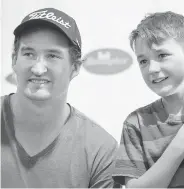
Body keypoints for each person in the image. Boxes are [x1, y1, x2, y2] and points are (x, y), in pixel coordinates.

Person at [1, 8, 118, 188]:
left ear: (75, 68)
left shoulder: (100, 150)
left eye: (52, 56)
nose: (38, 69)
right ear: (14, 59)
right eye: (28, 54)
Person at [112, 11, 184, 188]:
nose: (152, 69)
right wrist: (180, 145)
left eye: (162, 55)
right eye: (143, 61)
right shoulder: (136, 123)